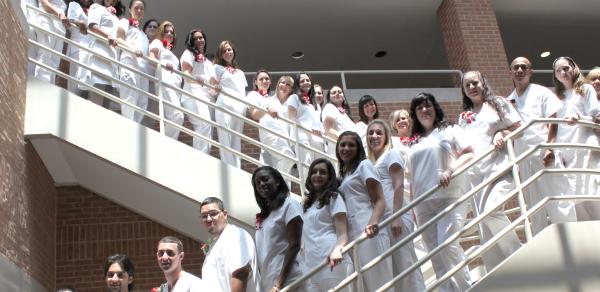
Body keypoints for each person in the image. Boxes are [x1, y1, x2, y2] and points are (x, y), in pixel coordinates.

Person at [409, 92, 473, 292]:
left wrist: (450, 170)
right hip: (422, 204)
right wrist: (412, 205)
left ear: (436, 108)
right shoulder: (415, 142)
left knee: (447, 246)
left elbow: (469, 153)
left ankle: (466, 288)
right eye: (419, 108)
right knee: (435, 253)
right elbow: (412, 176)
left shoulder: (450, 129)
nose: (424, 110)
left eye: (428, 106)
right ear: (415, 114)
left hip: (449, 196)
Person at [459, 71, 522, 272]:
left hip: (500, 167)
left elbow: (519, 127)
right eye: (467, 85)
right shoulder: (464, 116)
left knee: (490, 211)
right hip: (476, 175)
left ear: (483, 82)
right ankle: (498, 271)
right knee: (484, 225)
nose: (471, 87)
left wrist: (501, 132)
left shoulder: (498, 103)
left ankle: (517, 255)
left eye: (475, 83)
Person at [507, 57, 577, 235]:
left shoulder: (541, 92)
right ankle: (542, 243)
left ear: (530, 72)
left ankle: (571, 236)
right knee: (533, 205)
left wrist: (550, 148)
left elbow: (553, 121)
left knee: (557, 198)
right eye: (516, 67)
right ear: (511, 72)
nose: (520, 70)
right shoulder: (509, 101)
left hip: (545, 153)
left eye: (524, 67)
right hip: (523, 157)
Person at [365, 120, 425, 291]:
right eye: (370, 133)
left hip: (395, 215)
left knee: (405, 262)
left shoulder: (391, 154)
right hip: (383, 218)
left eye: (378, 133)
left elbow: (398, 185)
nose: (374, 136)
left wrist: (396, 217)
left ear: (386, 137)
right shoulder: (370, 163)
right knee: (395, 267)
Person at [336, 130, 393, 291]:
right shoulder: (345, 174)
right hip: (354, 233)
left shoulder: (364, 165)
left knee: (379, 283)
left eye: (351, 145)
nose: (346, 148)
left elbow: (380, 199)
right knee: (365, 285)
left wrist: (373, 222)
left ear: (359, 148)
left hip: (369, 231)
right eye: (342, 145)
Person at [553, 57, 600, 220]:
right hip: (567, 152)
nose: (563, 72)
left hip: (586, 147)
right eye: (558, 70)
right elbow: (556, 128)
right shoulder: (558, 98)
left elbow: (596, 116)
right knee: (575, 198)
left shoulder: (585, 89)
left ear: (574, 68)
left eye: (565, 68)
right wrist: (557, 152)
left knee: (593, 192)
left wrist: (579, 117)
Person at [302, 158, 353, 292]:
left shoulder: (334, 197)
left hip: (332, 260)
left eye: (323, 172)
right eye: (314, 172)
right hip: (311, 265)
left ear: (329, 177)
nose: (318, 175)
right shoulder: (307, 204)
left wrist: (337, 250)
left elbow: (343, 233)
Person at [252, 166, 304, 292]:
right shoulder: (265, 215)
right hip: (268, 281)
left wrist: (278, 284)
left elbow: (294, 245)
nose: (261, 184)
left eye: (265, 179)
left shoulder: (290, 205)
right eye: (257, 183)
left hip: (288, 281)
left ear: (277, 181)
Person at [199, 197, 260, 292]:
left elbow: (241, 273)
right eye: (204, 216)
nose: (208, 219)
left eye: (213, 213)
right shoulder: (216, 242)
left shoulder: (235, 235)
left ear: (225, 214)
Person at [248, 73, 295, 179]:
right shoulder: (260, 97)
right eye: (283, 82)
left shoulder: (285, 103)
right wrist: (266, 109)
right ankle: (276, 183)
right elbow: (255, 115)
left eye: (288, 84)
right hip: (271, 135)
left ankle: (278, 188)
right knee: (288, 158)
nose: (264, 81)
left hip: (285, 140)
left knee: (285, 172)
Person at [212, 40, 247, 168]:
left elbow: (242, 92)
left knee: (236, 140)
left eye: (229, 49)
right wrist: (215, 90)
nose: (228, 52)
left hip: (239, 107)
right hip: (224, 104)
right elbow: (212, 86)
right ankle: (228, 168)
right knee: (225, 138)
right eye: (224, 50)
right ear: (220, 54)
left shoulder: (240, 72)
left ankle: (236, 169)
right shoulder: (217, 67)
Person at [181, 28, 216, 153]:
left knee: (208, 128)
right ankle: (200, 157)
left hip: (208, 97)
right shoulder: (188, 54)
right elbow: (186, 74)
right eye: (195, 38)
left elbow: (213, 81)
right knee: (204, 123)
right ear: (191, 41)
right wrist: (195, 79)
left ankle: (205, 156)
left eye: (201, 37)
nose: (199, 40)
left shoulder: (208, 62)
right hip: (193, 93)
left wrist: (216, 88)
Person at [148, 21, 184, 140]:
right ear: (161, 33)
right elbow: (151, 58)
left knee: (170, 118)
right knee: (177, 116)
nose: (169, 34)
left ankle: (165, 144)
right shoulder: (157, 42)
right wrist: (162, 64)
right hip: (165, 80)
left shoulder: (170, 51)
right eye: (166, 31)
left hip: (175, 85)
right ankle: (165, 143)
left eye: (172, 32)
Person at [287, 72, 324, 179]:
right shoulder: (294, 97)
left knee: (319, 167)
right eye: (302, 81)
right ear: (298, 84)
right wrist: (308, 129)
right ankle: (307, 194)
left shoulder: (315, 103)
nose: (305, 82)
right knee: (306, 165)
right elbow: (291, 117)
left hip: (317, 139)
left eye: (307, 80)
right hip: (302, 136)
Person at [86, 0, 123, 107]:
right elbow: (92, 25)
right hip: (100, 52)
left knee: (106, 97)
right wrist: (108, 36)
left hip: (112, 58)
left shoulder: (116, 18)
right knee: (97, 92)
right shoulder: (97, 7)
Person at [117, 0, 149, 123]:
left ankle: (135, 128)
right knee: (129, 99)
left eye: (142, 8)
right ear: (130, 9)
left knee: (142, 103)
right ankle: (129, 128)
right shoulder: (125, 22)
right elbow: (119, 39)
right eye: (136, 8)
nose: (139, 11)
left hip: (142, 71)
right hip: (129, 65)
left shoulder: (144, 35)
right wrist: (133, 49)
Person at [34, 0, 68, 83]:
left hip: (59, 29)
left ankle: (49, 85)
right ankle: (41, 84)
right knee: (45, 54)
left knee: (55, 62)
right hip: (46, 21)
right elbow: (44, 3)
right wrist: (59, 14)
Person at [66, 0, 91, 94]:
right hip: (77, 46)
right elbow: (70, 19)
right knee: (75, 77)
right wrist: (80, 23)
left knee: (83, 79)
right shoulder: (74, 4)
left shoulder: (90, 11)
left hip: (88, 48)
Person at [322, 85, 355, 155]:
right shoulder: (330, 107)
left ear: (343, 96)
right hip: (339, 149)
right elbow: (328, 130)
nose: (337, 93)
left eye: (339, 92)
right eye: (333, 92)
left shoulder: (345, 113)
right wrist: (347, 140)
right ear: (329, 97)